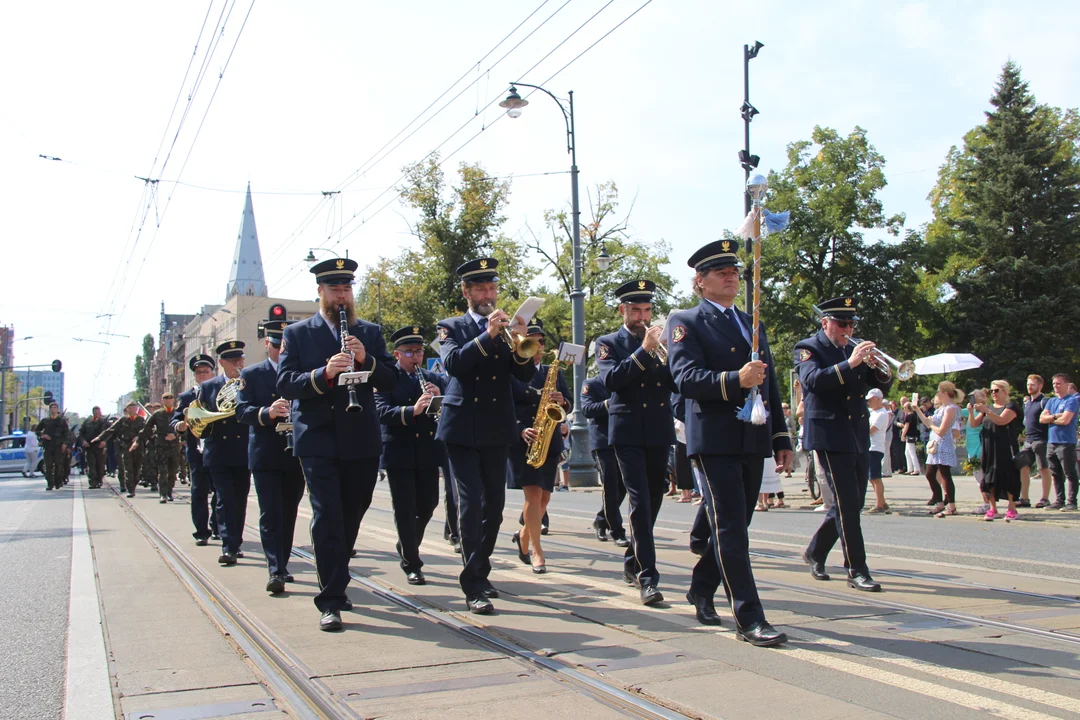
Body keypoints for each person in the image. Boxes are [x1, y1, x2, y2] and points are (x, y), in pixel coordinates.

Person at [667, 240, 791, 646]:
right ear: (700, 282)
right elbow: (684, 378)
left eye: (734, 271)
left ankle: (702, 586)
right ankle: (749, 617)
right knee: (733, 528)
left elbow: (769, 381)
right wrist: (734, 379)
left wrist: (780, 436)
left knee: (736, 524)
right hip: (714, 437)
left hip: (751, 435)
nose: (731, 277)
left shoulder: (751, 321)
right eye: (721, 272)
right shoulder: (685, 321)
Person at [278, 257, 398, 631]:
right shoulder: (298, 334)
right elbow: (285, 383)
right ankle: (330, 598)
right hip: (317, 438)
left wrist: (367, 360)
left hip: (360, 437)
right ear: (321, 293)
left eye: (347, 289)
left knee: (351, 513)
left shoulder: (370, 332)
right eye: (335, 289)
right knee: (327, 515)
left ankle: (337, 574)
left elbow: (391, 380)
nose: (342, 296)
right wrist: (324, 373)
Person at [435, 258, 535, 615]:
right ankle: (473, 583)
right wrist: (487, 335)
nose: (489, 296)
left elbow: (523, 376)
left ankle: (481, 566)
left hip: (496, 426)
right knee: (470, 502)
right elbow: (453, 365)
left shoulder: (507, 329)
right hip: (461, 427)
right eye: (481, 289)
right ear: (467, 292)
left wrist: (522, 339)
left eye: (492, 288)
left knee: (494, 507)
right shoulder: (451, 327)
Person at [796, 296, 891, 593]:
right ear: (825, 323)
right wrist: (850, 363)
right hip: (828, 433)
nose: (847, 329)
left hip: (857, 432)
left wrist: (880, 367)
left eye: (851, 323)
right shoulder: (808, 348)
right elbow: (813, 382)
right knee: (848, 504)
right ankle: (856, 569)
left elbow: (878, 384)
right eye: (841, 323)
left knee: (853, 502)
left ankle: (815, 551)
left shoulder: (854, 348)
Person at [596, 279, 677, 607]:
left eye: (646, 310)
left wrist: (672, 356)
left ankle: (633, 559)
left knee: (654, 502)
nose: (643, 316)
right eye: (636, 310)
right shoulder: (609, 342)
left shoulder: (661, 343)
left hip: (658, 430)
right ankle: (648, 578)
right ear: (623, 310)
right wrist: (643, 350)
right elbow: (611, 380)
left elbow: (675, 382)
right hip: (627, 431)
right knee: (640, 504)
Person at [237, 319, 306, 595]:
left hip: (296, 453)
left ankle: (284, 562)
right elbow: (242, 411)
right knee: (270, 513)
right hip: (266, 454)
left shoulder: (300, 373)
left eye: (285, 346)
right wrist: (267, 412)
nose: (281, 350)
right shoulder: (252, 375)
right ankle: (274, 568)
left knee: (289, 512)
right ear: (267, 344)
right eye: (276, 345)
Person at [374, 325, 447, 586]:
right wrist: (411, 410)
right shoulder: (385, 378)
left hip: (427, 450)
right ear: (397, 354)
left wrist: (441, 398)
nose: (415, 357)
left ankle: (406, 543)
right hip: (399, 450)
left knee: (429, 504)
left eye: (418, 352)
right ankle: (412, 562)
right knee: (405, 509)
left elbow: (449, 408)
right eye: (409, 352)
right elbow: (381, 411)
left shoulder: (432, 378)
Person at [507, 319, 571, 574]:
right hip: (525, 438)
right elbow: (503, 404)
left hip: (550, 438)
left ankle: (523, 536)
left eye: (541, 341)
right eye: (533, 340)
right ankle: (537, 551)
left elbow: (569, 405)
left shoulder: (552, 372)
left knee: (544, 496)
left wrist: (562, 401)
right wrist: (519, 428)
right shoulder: (510, 371)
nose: (538, 345)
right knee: (533, 496)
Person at [200, 341, 251, 565]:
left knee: (239, 499)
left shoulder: (249, 382)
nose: (237, 364)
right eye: (232, 361)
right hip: (218, 451)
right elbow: (200, 419)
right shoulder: (209, 387)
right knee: (225, 499)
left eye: (240, 360)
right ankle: (228, 546)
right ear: (221, 363)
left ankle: (236, 542)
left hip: (243, 451)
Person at [174, 354, 220, 543]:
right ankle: (201, 532)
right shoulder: (187, 397)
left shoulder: (221, 392)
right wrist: (180, 426)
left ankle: (218, 526)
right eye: (199, 372)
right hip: (197, 452)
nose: (203, 375)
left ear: (213, 373)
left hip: (218, 451)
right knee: (198, 492)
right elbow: (176, 419)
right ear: (194, 375)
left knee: (220, 492)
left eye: (206, 371)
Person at [581, 374, 629, 547]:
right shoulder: (591, 383)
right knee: (610, 485)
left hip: (623, 439)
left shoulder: (623, 381)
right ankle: (617, 530)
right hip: (602, 442)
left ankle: (602, 519)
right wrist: (608, 404)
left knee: (623, 485)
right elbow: (586, 409)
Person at [971, 380, 1021, 520]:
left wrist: (987, 411)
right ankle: (993, 508)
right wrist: (971, 411)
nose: (993, 393)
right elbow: (974, 424)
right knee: (989, 477)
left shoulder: (1011, 407)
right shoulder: (989, 408)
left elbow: (1001, 421)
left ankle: (1012, 508)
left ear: (1005, 391)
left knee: (1008, 476)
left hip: (1005, 447)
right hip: (989, 446)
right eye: (991, 391)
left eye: (996, 390)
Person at [914, 382, 963, 517]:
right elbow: (928, 422)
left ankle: (952, 505)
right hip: (935, 444)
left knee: (945, 474)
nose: (937, 394)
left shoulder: (951, 409)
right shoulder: (941, 408)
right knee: (930, 473)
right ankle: (939, 502)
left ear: (945, 393)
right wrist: (918, 410)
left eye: (939, 391)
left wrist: (931, 425)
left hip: (944, 444)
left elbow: (942, 430)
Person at [134, 393, 182, 503]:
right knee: (162, 471)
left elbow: (185, 428)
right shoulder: (157, 414)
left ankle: (169, 491)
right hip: (161, 446)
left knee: (172, 471)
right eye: (166, 398)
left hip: (174, 446)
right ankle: (163, 494)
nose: (168, 400)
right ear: (162, 401)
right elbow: (147, 428)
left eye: (170, 398)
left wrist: (176, 435)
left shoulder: (178, 413)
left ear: (173, 400)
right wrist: (138, 441)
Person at [1041, 373, 1078, 510]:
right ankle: (1059, 500)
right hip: (1052, 441)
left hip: (1066, 441)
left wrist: (1050, 418)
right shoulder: (1051, 401)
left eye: (1059, 383)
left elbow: (1066, 420)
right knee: (1055, 473)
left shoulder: (1071, 400)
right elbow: (1042, 419)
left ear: (1067, 385)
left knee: (1069, 472)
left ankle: (1072, 501)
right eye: (1054, 383)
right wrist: (1055, 416)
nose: (1056, 386)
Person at [94, 402, 144, 496]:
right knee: (128, 469)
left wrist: (139, 437)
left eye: (134, 408)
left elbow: (147, 431)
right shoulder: (123, 420)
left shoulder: (141, 420)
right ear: (127, 409)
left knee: (137, 469)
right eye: (130, 408)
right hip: (126, 446)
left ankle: (134, 484)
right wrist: (100, 438)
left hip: (138, 447)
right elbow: (111, 430)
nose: (133, 409)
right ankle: (130, 490)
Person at [1020, 375, 1051, 508]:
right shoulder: (1027, 403)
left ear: (1040, 385)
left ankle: (1045, 498)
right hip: (1028, 439)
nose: (1029, 387)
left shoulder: (1044, 402)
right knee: (1023, 467)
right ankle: (1024, 498)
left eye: (1032, 384)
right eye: (1028, 384)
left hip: (1041, 440)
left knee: (1043, 468)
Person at [864, 389, 890, 514]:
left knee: (875, 477)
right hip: (870, 447)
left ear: (879, 399)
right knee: (871, 477)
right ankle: (882, 501)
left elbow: (871, 430)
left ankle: (879, 504)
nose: (869, 402)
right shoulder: (872, 412)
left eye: (871, 400)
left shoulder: (881, 414)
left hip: (875, 447)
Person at [35, 403, 70, 491]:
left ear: (57, 409)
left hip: (58, 445)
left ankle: (58, 481)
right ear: (50, 409)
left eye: (55, 407)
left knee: (58, 465)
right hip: (48, 446)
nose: (53, 409)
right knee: (49, 465)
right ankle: (50, 483)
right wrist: (43, 435)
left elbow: (67, 434)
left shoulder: (62, 420)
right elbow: (37, 430)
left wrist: (65, 444)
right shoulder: (45, 420)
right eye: (52, 408)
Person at [79, 406, 109, 489]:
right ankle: (92, 482)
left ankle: (99, 480)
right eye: (95, 411)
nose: (96, 413)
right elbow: (81, 433)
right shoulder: (87, 422)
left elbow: (110, 433)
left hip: (100, 447)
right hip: (89, 447)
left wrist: (104, 442)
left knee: (100, 465)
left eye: (98, 411)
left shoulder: (104, 422)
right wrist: (83, 441)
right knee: (91, 464)